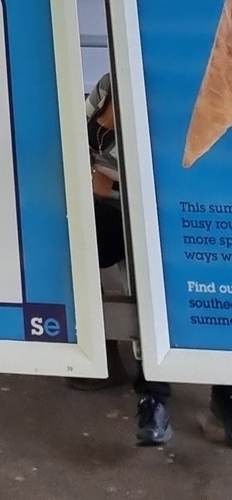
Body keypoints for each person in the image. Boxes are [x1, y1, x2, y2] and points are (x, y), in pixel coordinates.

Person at [85, 70, 232, 447]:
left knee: (204, 291)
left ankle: (214, 399)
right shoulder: (111, 83)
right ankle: (146, 394)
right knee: (144, 292)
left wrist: (108, 181)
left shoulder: (193, 88)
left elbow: (176, 166)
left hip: (187, 214)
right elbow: (81, 141)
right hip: (125, 215)